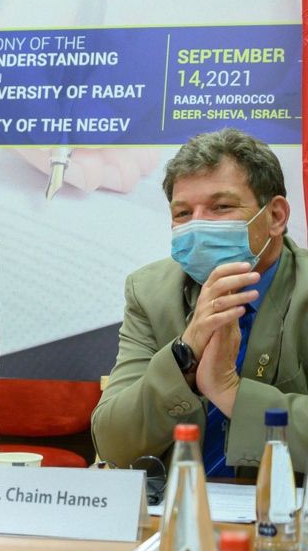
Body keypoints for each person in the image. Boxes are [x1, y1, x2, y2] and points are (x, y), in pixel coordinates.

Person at [91, 128, 308, 475]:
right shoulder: (150, 292)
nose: (199, 226)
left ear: (276, 216)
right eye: (183, 213)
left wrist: (230, 392)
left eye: (221, 207)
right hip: (171, 511)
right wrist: (184, 352)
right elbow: (113, 444)